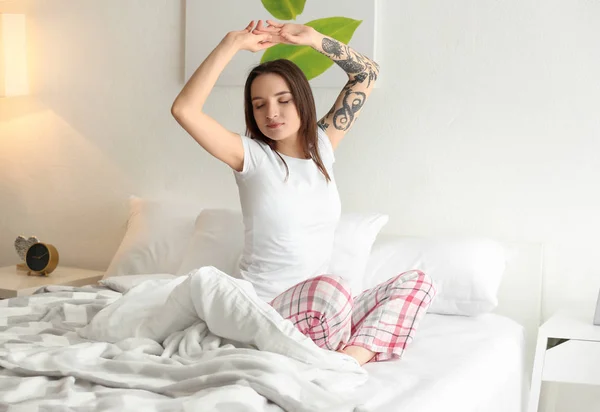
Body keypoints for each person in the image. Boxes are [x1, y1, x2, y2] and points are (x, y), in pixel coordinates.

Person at [171, 20, 436, 366]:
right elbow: (184, 110)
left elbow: (367, 74)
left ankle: (352, 356)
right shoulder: (250, 157)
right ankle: (344, 350)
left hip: (324, 310)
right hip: (267, 310)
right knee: (333, 289)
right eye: (259, 105)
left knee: (419, 282)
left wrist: (315, 39)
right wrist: (230, 44)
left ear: (302, 100)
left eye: (283, 100)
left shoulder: (323, 146)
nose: (272, 113)